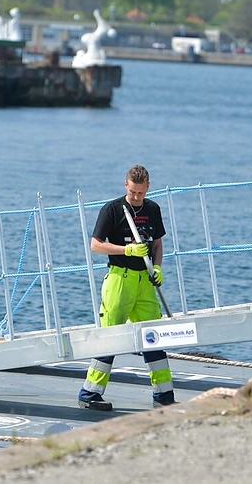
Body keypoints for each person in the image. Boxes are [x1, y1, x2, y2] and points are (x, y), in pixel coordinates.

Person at [78, 165, 175, 411]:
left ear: (148, 188)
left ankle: (164, 397)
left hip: (145, 282)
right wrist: (126, 250)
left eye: (141, 193)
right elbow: (95, 245)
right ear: (125, 185)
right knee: (110, 339)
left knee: (153, 338)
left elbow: (157, 245)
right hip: (119, 280)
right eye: (133, 192)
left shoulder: (153, 209)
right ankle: (89, 394)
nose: (136, 197)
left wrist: (158, 268)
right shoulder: (112, 209)